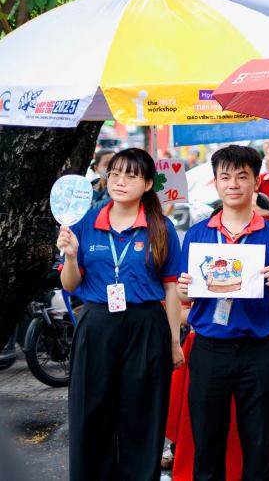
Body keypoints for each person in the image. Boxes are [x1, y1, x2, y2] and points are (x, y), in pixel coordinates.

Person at [57, 148, 184, 481]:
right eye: (114, 173)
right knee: (91, 413)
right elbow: (71, 284)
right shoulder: (86, 221)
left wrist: (174, 341)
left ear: (146, 184)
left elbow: (171, 289)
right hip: (97, 325)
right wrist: (70, 257)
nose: (120, 181)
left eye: (130, 175)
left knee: (141, 416)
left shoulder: (161, 227)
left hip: (146, 327)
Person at [176, 145, 269, 481]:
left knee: (258, 445)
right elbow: (186, 295)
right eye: (225, 176)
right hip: (209, 349)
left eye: (242, 176)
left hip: (256, 352)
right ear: (215, 182)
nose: (233, 184)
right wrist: (185, 289)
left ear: (256, 182)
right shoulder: (199, 235)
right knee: (207, 446)